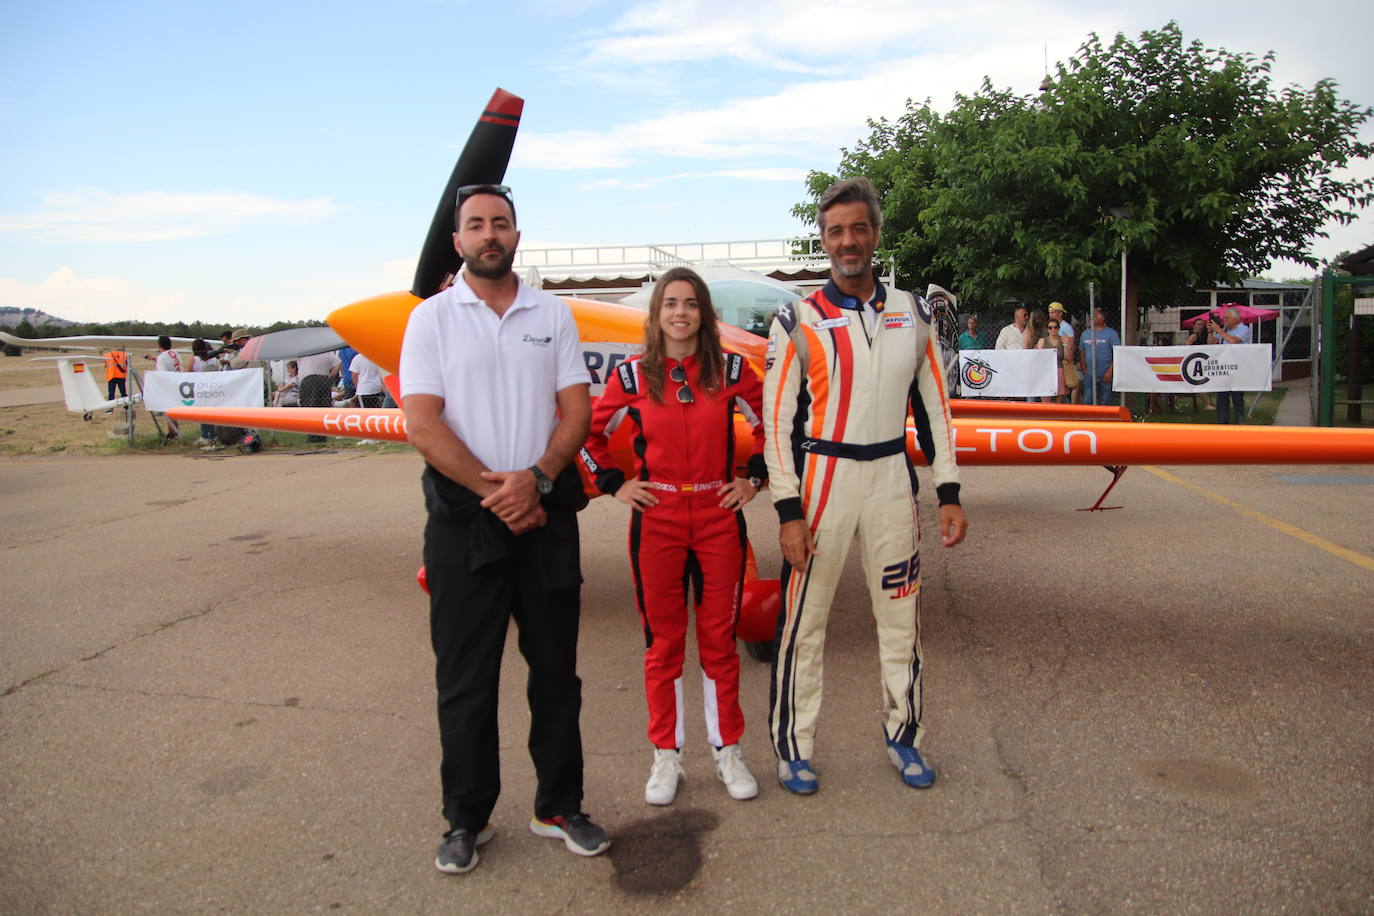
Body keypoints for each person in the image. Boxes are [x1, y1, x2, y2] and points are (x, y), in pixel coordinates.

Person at [399, 183, 607, 875]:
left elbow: (575, 411)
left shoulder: (552, 314)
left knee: (557, 676)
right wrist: (498, 488)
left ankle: (559, 805)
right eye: (476, 225)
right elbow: (423, 423)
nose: (490, 234)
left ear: (517, 236)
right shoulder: (430, 320)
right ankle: (466, 818)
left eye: (501, 223)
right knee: (465, 680)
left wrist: (538, 478)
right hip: (467, 526)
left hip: (544, 518)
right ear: (457, 240)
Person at [763, 177, 968, 795]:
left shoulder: (914, 312)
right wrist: (787, 510)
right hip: (822, 479)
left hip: (889, 480)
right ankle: (793, 748)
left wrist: (949, 491)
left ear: (876, 235)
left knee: (901, 618)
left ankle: (904, 738)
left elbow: (935, 408)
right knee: (806, 622)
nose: (847, 241)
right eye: (835, 232)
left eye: (858, 228)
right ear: (823, 241)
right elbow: (775, 426)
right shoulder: (797, 319)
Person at [583, 266, 765, 808]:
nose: (680, 313)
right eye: (670, 304)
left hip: (717, 514)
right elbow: (590, 435)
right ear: (656, 313)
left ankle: (727, 748)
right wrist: (615, 484)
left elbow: (772, 426)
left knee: (718, 641)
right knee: (662, 645)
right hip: (657, 518)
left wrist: (753, 478)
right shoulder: (634, 376)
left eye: (690, 304)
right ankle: (666, 753)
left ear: (703, 314)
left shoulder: (732, 370)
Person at [1210, 305, 1252, 424]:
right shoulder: (1225, 330)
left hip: (1237, 367)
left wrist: (1219, 330)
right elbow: (1212, 342)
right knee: (1222, 396)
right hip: (1224, 367)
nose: (1225, 320)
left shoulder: (1243, 329)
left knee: (1237, 395)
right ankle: (1223, 422)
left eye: (1227, 318)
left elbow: (1234, 341)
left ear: (1235, 318)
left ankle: (1239, 419)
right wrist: (1211, 331)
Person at [1078, 307, 1121, 406]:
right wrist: (1084, 370)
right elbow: (1082, 352)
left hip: (1105, 373)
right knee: (1088, 401)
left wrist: (1110, 372)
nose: (1091, 318)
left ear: (1103, 318)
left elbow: (1117, 353)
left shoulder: (1111, 334)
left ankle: (1105, 420)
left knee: (1105, 402)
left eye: (1095, 315)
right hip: (1089, 374)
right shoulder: (1085, 334)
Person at [294, 350, 340, 442]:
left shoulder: (303, 350)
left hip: (309, 380)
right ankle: (322, 436)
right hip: (323, 379)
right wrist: (330, 376)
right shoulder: (327, 352)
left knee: (309, 408)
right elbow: (337, 365)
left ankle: (312, 436)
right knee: (323, 408)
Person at [151, 335, 181, 440]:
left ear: (159, 345)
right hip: (177, 383)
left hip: (168, 387)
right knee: (171, 411)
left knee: (168, 411)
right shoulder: (175, 354)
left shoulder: (162, 357)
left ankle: (173, 434)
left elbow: (162, 375)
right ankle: (174, 433)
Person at [190, 339, 219, 445]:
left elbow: (188, 374)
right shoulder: (214, 360)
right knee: (213, 413)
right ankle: (214, 434)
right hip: (214, 388)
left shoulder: (194, 360)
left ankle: (206, 435)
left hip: (201, 389)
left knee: (203, 413)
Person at [1042, 316, 1070, 402]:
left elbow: (1068, 358)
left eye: (1055, 327)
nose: (1053, 329)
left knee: (1059, 399)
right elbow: (1039, 358)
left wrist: (1066, 344)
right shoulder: (1042, 341)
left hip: (1059, 370)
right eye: (1050, 327)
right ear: (1047, 329)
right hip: (1046, 371)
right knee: (1046, 398)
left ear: (1058, 328)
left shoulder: (1062, 340)